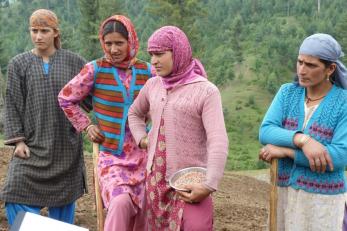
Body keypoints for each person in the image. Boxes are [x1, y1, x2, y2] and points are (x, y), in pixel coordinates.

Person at [128, 26, 229, 231]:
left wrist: (208, 185)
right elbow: (135, 113)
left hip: (190, 185)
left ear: (178, 51)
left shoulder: (205, 91)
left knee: (196, 226)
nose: (154, 61)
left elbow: (217, 140)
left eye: (160, 54)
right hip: (155, 183)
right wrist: (142, 139)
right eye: (151, 55)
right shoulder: (153, 86)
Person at [58, 15, 151, 230]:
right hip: (112, 157)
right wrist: (87, 125)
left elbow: (166, 102)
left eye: (119, 43)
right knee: (120, 203)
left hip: (145, 155)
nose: (113, 49)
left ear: (131, 42)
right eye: (108, 43)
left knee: (148, 208)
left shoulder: (148, 72)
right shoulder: (95, 70)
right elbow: (65, 98)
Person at [1, 9, 87, 225]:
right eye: (34, 30)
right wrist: (18, 140)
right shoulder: (18, 64)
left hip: (66, 148)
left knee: (64, 204)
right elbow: (12, 104)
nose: (38, 36)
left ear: (55, 33)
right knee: (14, 196)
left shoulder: (74, 62)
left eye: (44, 31)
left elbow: (91, 95)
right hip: (31, 148)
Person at [259, 33, 347, 230]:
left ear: (330, 69)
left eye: (311, 65)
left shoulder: (343, 102)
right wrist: (302, 140)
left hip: (322, 200)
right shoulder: (287, 93)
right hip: (283, 193)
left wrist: (286, 151)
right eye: (300, 62)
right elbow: (266, 131)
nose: (302, 70)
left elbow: (340, 155)